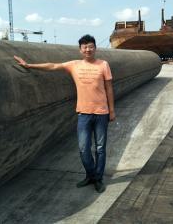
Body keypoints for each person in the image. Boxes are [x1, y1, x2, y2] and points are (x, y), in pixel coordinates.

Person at [14, 34, 115, 193]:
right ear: (80, 50)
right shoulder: (74, 65)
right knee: (83, 148)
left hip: (101, 113)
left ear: (95, 48)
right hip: (84, 114)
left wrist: (111, 111)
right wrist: (29, 65)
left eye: (90, 46)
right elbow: (52, 66)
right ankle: (91, 175)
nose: (88, 49)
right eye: (85, 47)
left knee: (100, 148)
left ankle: (98, 178)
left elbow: (109, 88)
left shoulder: (103, 65)